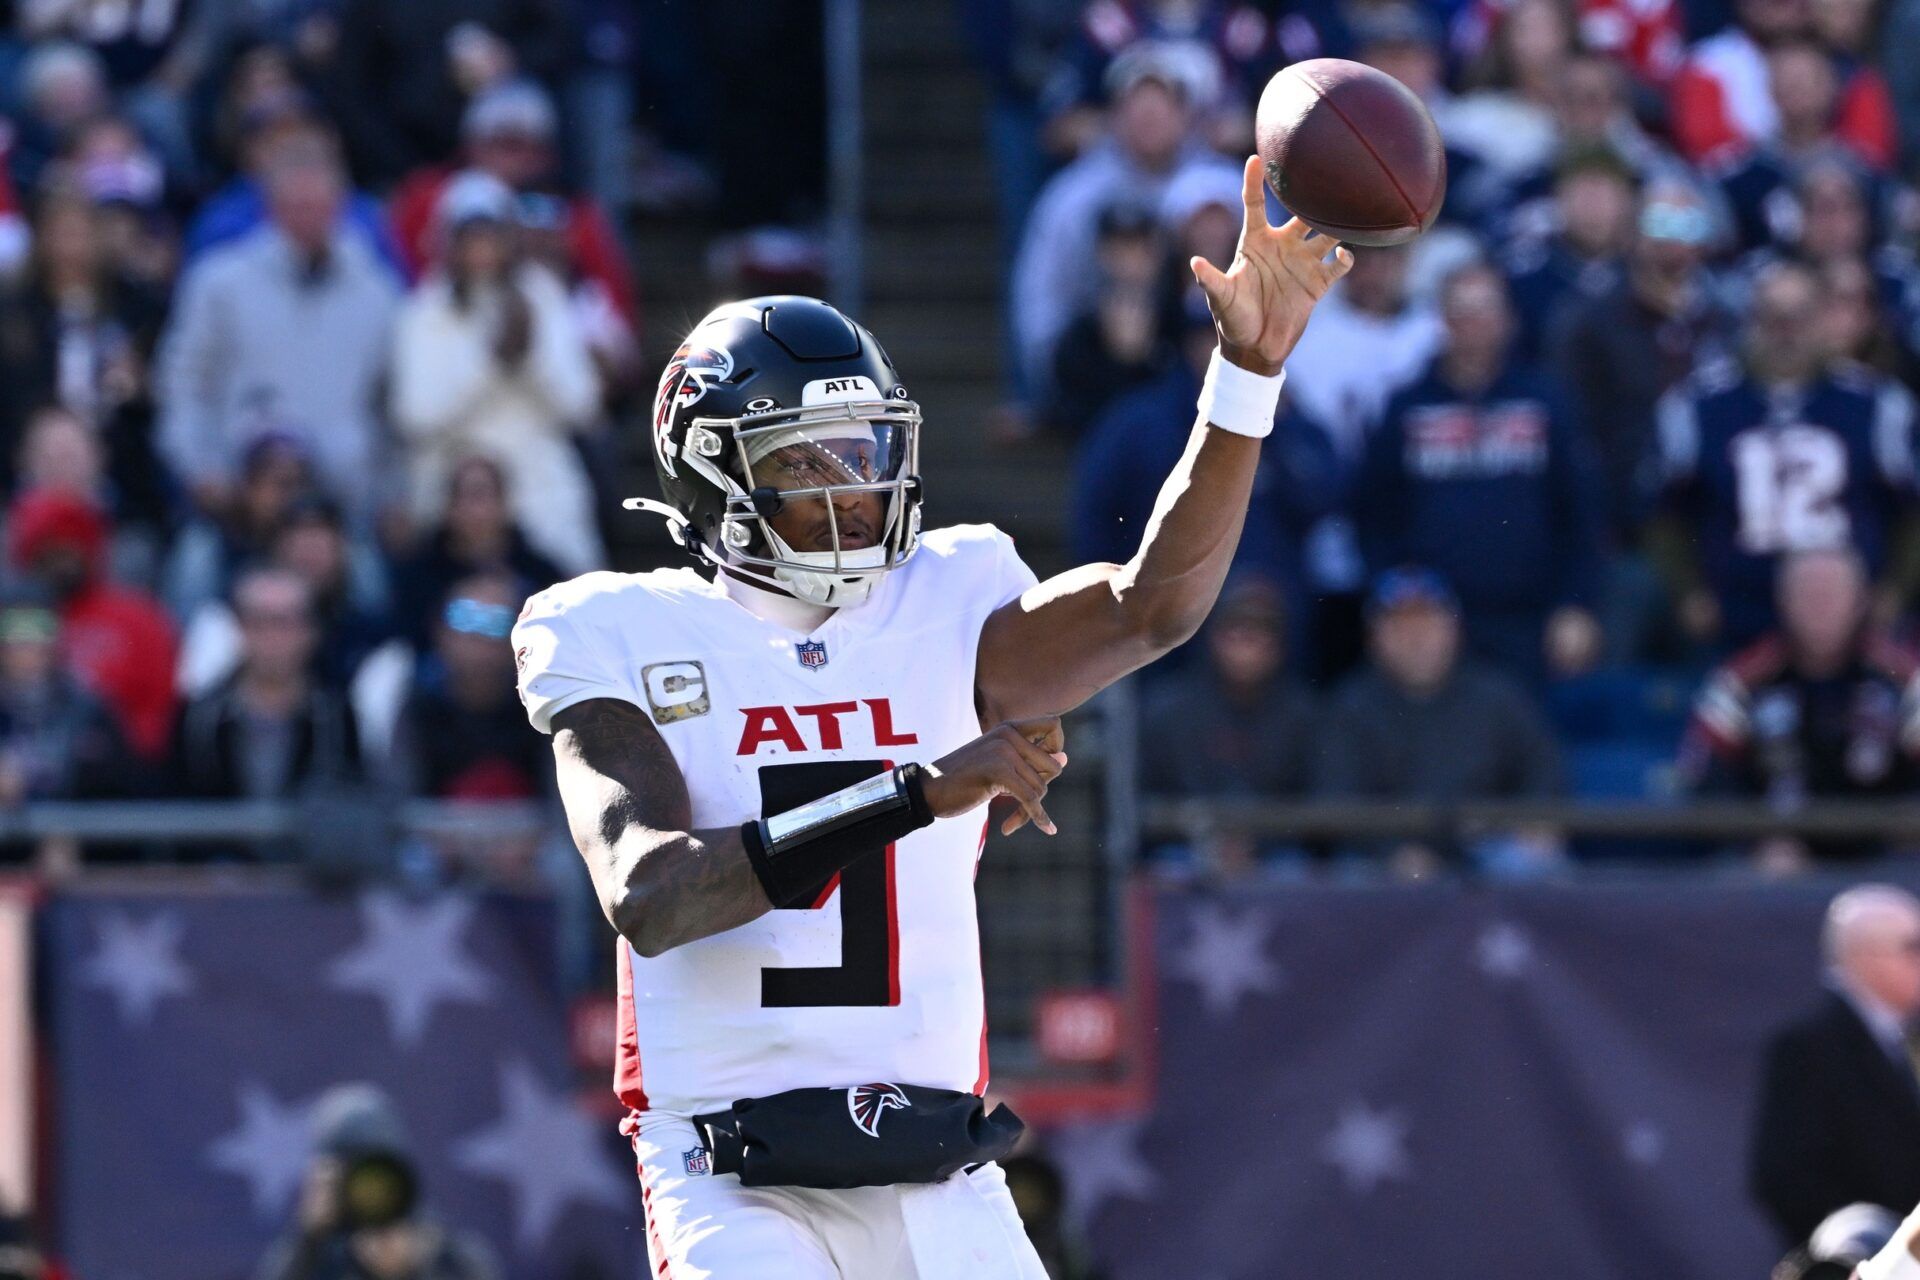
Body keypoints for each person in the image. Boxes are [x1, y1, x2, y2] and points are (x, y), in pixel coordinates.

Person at [511, 160, 1351, 1276]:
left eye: (865, 452)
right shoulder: (616, 628)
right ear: (718, 473)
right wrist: (917, 788)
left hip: (936, 1158)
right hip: (730, 1167)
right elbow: (652, 894)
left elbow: (1154, 606)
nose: (855, 488)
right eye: (807, 461)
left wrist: (1247, 372)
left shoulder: (946, 597)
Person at [1355, 263, 1606, 683]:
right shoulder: (1407, 406)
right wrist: (1391, 604)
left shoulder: (1544, 400)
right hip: (1432, 622)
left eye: (1484, 310)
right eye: (1461, 311)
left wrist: (1577, 605)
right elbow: (1373, 515)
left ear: (1508, 320)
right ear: (1442, 321)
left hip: (1530, 619)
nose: (1472, 324)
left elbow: (1580, 512)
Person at [1652, 259, 1917, 652]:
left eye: (1799, 317)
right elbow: (1663, 513)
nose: (1786, 332)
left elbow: (1912, 510)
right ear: (1751, 321)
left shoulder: (1877, 404)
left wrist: (1893, 592)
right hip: (1735, 620)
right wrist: (1689, 593)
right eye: (1772, 317)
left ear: (1821, 320)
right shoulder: (1697, 405)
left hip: (1850, 628)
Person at [154, 133, 400, 526]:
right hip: (237, 504)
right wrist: (201, 471)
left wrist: (390, 492)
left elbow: (389, 409)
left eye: (317, 204)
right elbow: (183, 386)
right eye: (295, 205)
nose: (307, 216)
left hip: (344, 509)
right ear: (272, 208)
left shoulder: (378, 295)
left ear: (338, 206)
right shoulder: (219, 284)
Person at [389, 171, 603, 577]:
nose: (482, 250)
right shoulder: (424, 310)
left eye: (492, 235)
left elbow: (582, 406)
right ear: (448, 241)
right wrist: (490, 362)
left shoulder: (540, 293)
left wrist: (532, 358)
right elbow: (415, 417)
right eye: (470, 237)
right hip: (456, 494)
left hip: (539, 485)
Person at [1011, 46, 1237, 398]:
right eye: (1138, 104)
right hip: (1099, 363)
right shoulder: (1072, 197)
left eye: (1162, 104)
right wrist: (1048, 376)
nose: (1149, 115)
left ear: (1186, 114)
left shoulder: (1227, 186)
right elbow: (1043, 297)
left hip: (1208, 355)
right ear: (1115, 114)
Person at [1313, 568, 1564, 878]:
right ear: (1374, 638)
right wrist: (1391, 851)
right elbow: (1335, 802)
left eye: (1428, 623)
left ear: (1455, 630)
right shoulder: (1350, 705)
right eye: (1401, 626)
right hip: (1387, 861)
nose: (1417, 638)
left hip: (1482, 852)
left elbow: (1544, 766)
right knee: (1347, 874)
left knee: (1532, 864)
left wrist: (1534, 823)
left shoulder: (1496, 695)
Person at [1678, 548, 1920, 867]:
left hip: (1886, 856)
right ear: (1783, 602)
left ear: (1861, 601)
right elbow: (1707, 784)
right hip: (1775, 863)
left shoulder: (1903, 677)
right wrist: (1756, 843)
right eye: (1808, 595)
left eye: (1831, 595)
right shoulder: (1742, 680)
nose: (1820, 608)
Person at [1750, 885, 1920, 1248]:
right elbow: (1786, 1180)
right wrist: (1863, 1249)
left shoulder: (1906, 1041)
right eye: (1912, 946)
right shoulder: (1809, 1049)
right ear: (1866, 955)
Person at [1137, 577, 1318, 877]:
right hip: (1186, 850)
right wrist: (1206, 837)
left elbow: (1319, 807)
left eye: (1261, 631)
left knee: (1296, 871)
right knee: (1163, 872)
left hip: (1274, 856)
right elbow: (1144, 800)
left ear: (1280, 643)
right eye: (1235, 628)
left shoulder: (1303, 713)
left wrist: (1258, 842)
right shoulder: (1169, 709)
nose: (1246, 642)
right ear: (1213, 635)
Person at [257, 1083, 499, 1280]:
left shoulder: (448, 1256)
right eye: (349, 1175)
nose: (365, 1190)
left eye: (376, 1174)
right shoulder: (317, 1260)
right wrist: (308, 1236)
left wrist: (412, 1271)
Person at [6, 489, 175, 762]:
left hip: (110, 772)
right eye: (50, 546)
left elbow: (156, 717)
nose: (62, 558)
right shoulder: (18, 612)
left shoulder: (137, 618)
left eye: (72, 542)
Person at [171, 567, 363, 807]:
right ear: (239, 627)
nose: (272, 636)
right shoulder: (199, 718)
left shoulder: (335, 715)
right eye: (259, 621)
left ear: (311, 632)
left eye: (284, 623)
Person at [389, 456, 563, 649]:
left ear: (504, 503)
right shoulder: (417, 577)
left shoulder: (540, 575)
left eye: (482, 496)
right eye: (464, 497)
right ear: (449, 507)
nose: (474, 510)